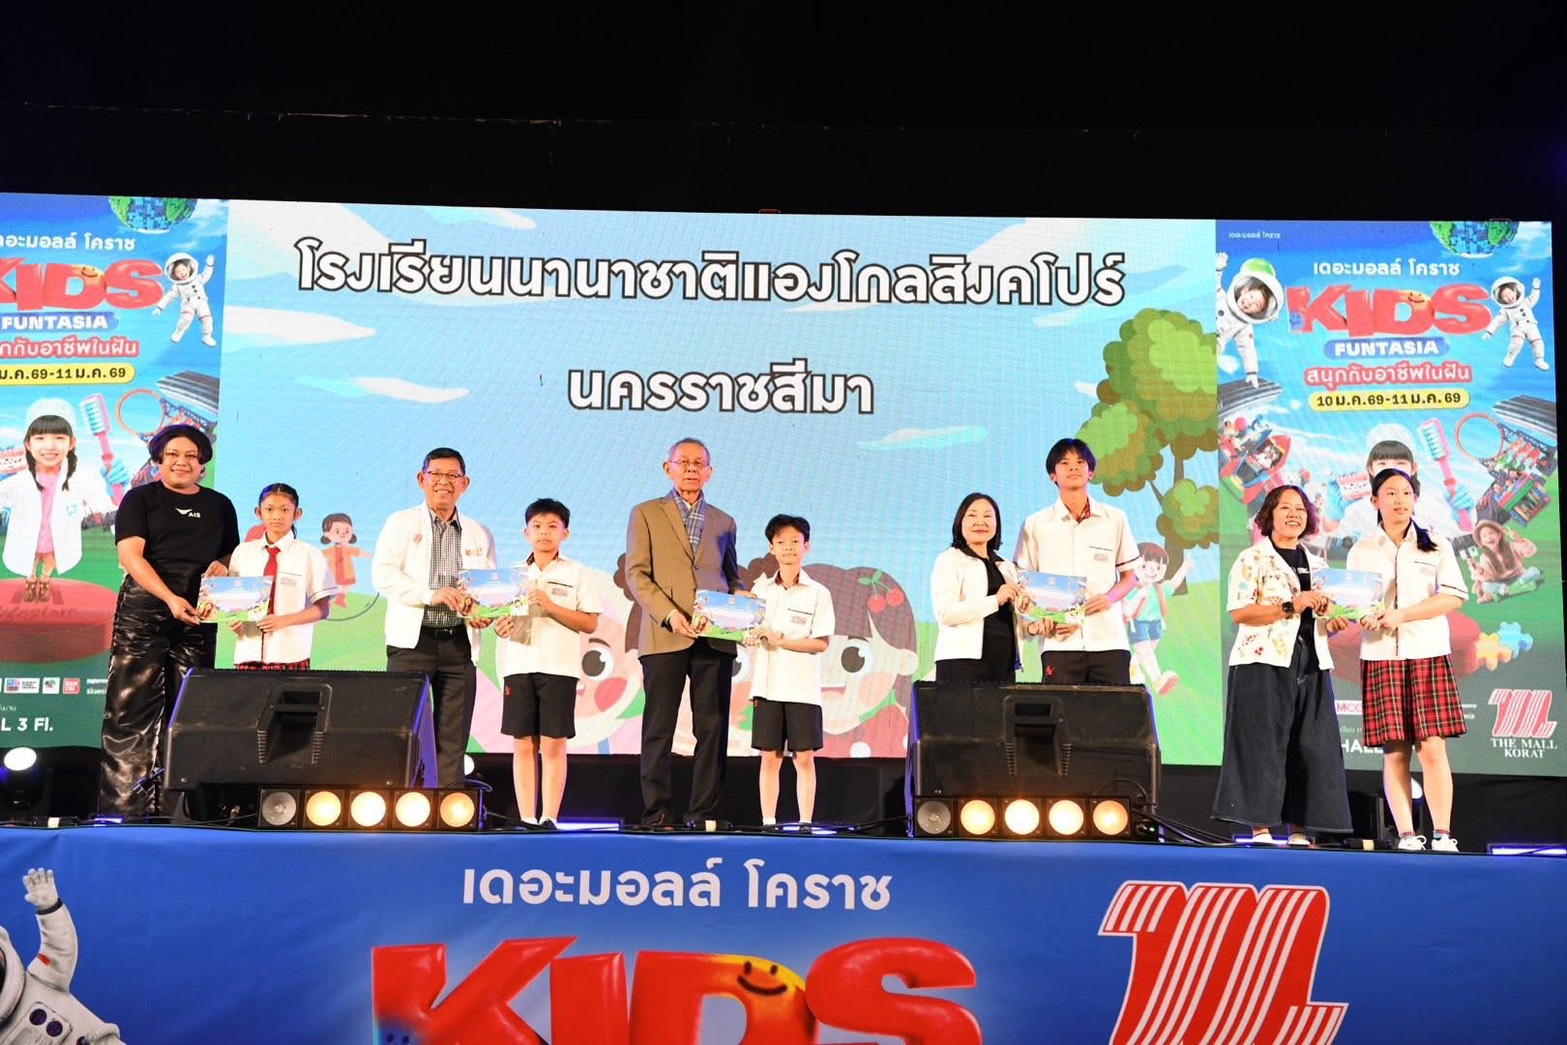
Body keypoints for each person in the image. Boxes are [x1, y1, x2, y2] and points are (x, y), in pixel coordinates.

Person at [98, 423, 239, 819]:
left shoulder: (220, 504)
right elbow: (130, 557)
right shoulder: (140, 498)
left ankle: (182, 814)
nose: (182, 462)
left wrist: (223, 565)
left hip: (198, 614)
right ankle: (125, 812)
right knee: (130, 708)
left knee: (191, 712)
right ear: (159, 459)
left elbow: (231, 555)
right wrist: (169, 598)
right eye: (173, 454)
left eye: (190, 456)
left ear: (202, 464)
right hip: (145, 609)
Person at [1212, 486, 1352, 846]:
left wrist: (1333, 622)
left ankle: (1300, 829)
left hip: (1312, 663)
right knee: (1261, 744)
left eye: (1300, 509)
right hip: (1263, 661)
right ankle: (1259, 828)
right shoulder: (1252, 559)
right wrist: (1291, 605)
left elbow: (1322, 619)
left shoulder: (1319, 565)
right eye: (1285, 508)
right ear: (1269, 515)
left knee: (1312, 747)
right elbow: (1240, 612)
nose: (1294, 514)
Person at [1347, 468, 1469, 852]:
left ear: (1415, 499)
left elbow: (1453, 596)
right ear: (1374, 500)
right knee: (1395, 751)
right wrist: (1363, 616)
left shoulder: (1436, 544)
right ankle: (1406, 835)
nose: (1399, 500)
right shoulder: (1361, 549)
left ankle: (1443, 834)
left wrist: (1402, 614)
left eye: (1406, 492)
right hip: (1381, 655)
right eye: (1390, 493)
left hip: (1427, 652)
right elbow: (1354, 603)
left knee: (1432, 748)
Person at [624, 437, 740, 829]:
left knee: (712, 727)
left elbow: (731, 577)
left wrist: (742, 601)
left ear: (710, 472)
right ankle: (657, 811)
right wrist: (670, 615)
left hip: (714, 639)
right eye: (683, 462)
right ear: (667, 468)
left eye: (699, 463)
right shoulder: (645, 513)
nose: (691, 469)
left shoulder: (724, 521)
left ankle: (703, 812)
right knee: (659, 728)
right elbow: (637, 574)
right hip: (664, 634)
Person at [372, 448, 496, 787]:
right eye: (436, 474)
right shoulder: (400, 522)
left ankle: (447, 802)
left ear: (465, 483)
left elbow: (486, 588)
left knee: (453, 736)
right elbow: (383, 575)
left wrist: (480, 613)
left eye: (452, 476)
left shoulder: (479, 532)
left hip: (459, 644)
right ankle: (400, 801)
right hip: (412, 643)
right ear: (421, 479)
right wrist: (431, 594)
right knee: (403, 729)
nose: (444, 482)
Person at [493, 498, 601, 829]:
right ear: (526, 533)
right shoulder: (512, 575)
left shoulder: (577, 572)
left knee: (554, 743)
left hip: (559, 668)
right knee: (523, 742)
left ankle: (550, 817)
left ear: (565, 533)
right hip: (519, 665)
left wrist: (551, 606)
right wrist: (501, 626)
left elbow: (590, 623)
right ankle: (527, 817)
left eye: (553, 526)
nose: (544, 532)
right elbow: (501, 618)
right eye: (537, 526)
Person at [1014, 438, 1141, 686]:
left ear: (1090, 472)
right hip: (1059, 642)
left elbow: (1129, 577)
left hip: (1109, 639)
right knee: (1061, 708)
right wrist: (1045, 619)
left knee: (1115, 708)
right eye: (1064, 463)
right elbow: (1024, 583)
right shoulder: (1036, 524)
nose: (1073, 467)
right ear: (1053, 475)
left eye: (1080, 462)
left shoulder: (1114, 518)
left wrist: (1109, 598)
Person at [747, 514, 834, 830]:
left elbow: (821, 642)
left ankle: (805, 822)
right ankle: (769, 822)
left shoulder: (818, 592)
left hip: (803, 689)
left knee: (804, 758)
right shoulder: (760, 590)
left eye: (795, 541)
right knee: (769, 758)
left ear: (806, 546)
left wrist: (781, 640)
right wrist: (745, 634)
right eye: (781, 542)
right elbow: (746, 633)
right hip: (767, 687)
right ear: (771, 548)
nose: (788, 547)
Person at [0, 400, 115, 601]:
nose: (50, 446)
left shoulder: (79, 476)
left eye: (59, 438)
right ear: (28, 444)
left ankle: (44, 580)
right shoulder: (19, 478)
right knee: (30, 558)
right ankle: (31, 579)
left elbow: (100, 500)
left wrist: (115, 511)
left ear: (71, 443)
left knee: (51, 557)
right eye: (40, 438)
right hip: (26, 534)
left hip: (58, 536)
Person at [225, 483, 337, 671]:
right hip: (247, 654)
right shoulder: (242, 552)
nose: (276, 516)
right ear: (258, 513)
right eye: (269, 509)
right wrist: (233, 620)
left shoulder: (309, 554)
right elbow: (232, 604)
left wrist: (283, 620)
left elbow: (322, 610)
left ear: (297, 514)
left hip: (290, 655)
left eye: (285, 510)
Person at [931, 492, 1025, 682]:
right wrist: (995, 600)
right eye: (972, 515)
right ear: (960, 522)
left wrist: (1031, 627)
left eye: (988, 516)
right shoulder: (949, 559)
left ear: (997, 524)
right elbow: (946, 613)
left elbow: (1014, 616)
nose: (980, 522)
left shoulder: (1006, 566)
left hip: (1003, 662)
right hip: (961, 662)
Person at [1483, 275, 1548, 370]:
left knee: (1538, 343)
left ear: (1515, 291)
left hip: (1531, 327)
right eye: (1505, 296)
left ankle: (1539, 360)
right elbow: (1497, 321)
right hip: (1517, 329)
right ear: (1501, 299)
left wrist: (1536, 287)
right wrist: (1489, 332)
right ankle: (1510, 357)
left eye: (1510, 293)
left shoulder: (1526, 302)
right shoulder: (1505, 310)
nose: (1509, 297)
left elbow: (1534, 297)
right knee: (1516, 344)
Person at [1470, 519, 1542, 602]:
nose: (1489, 537)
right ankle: (1520, 589)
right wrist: (1480, 571)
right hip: (1502, 584)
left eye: (1491, 533)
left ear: (1499, 535)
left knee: (1534, 571)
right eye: (1484, 536)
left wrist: (1518, 540)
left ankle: (1510, 591)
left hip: (1519, 577)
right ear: (1481, 542)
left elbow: (1531, 551)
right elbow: (1489, 577)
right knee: (1486, 586)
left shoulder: (1510, 545)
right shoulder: (1484, 557)